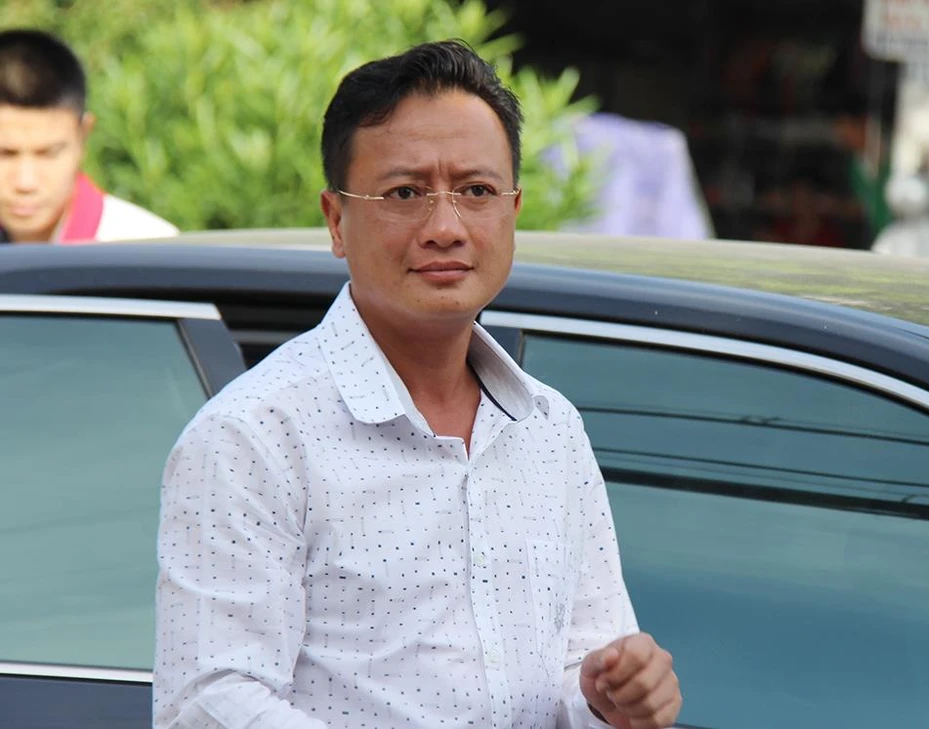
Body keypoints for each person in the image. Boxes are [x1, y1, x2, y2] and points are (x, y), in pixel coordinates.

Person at [154, 40, 681, 729]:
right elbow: (207, 702)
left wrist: (611, 700)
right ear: (336, 221)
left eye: (477, 191)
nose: (445, 228)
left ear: (513, 210)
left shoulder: (549, 429)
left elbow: (577, 673)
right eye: (405, 193)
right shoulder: (255, 436)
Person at [0, 29, 177, 244]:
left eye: (49, 153)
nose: (25, 182)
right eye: (5, 154)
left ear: (83, 136)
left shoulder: (150, 249)